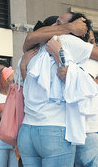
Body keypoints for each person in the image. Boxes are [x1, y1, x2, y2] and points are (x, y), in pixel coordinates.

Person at [17, 13, 96, 167]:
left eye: (59, 23)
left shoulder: (38, 47)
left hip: (27, 131)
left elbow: (29, 39)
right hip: (54, 129)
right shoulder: (63, 41)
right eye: (56, 23)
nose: (54, 26)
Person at [47, 29, 98, 167]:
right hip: (74, 128)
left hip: (90, 129)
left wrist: (59, 54)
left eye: (92, 42)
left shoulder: (91, 63)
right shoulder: (77, 61)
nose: (89, 45)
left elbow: (67, 76)